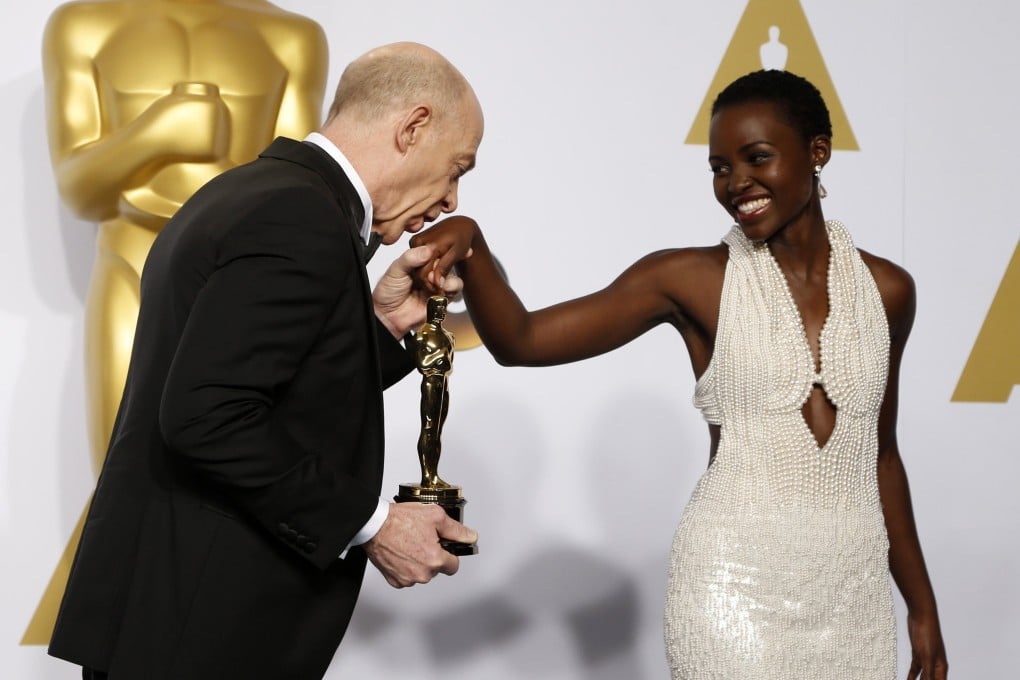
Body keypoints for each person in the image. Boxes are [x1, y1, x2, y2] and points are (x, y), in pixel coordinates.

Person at [414, 70, 948, 679]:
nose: (736, 183)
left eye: (758, 158)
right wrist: (474, 246)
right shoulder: (688, 279)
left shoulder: (889, 291)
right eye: (720, 168)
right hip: (731, 592)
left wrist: (923, 611)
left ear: (818, 153)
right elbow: (523, 340)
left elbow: (880, 459)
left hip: (853, 607)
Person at [47, 41, 483, 680]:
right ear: (413, 127)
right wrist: (373, 525)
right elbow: (207, 415)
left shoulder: (252, 192)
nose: (449, 199)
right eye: (457, 168)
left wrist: (385, 323)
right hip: (204, 637)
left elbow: (264, 384)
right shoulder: (299, 215)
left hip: (171, 624)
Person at [415, 296, 455, 488]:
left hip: (442, 383)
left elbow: (449, 365)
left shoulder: (448, 336)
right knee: (429, 428)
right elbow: (422, 364)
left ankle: (434, 474)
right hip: (431, 382)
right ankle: (427, 475)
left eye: (444, 308)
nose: (442, 312)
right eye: (439, 308)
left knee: (437, 431)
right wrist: (440, 356)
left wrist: (442, 360)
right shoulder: (423, 334)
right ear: (432, 309)